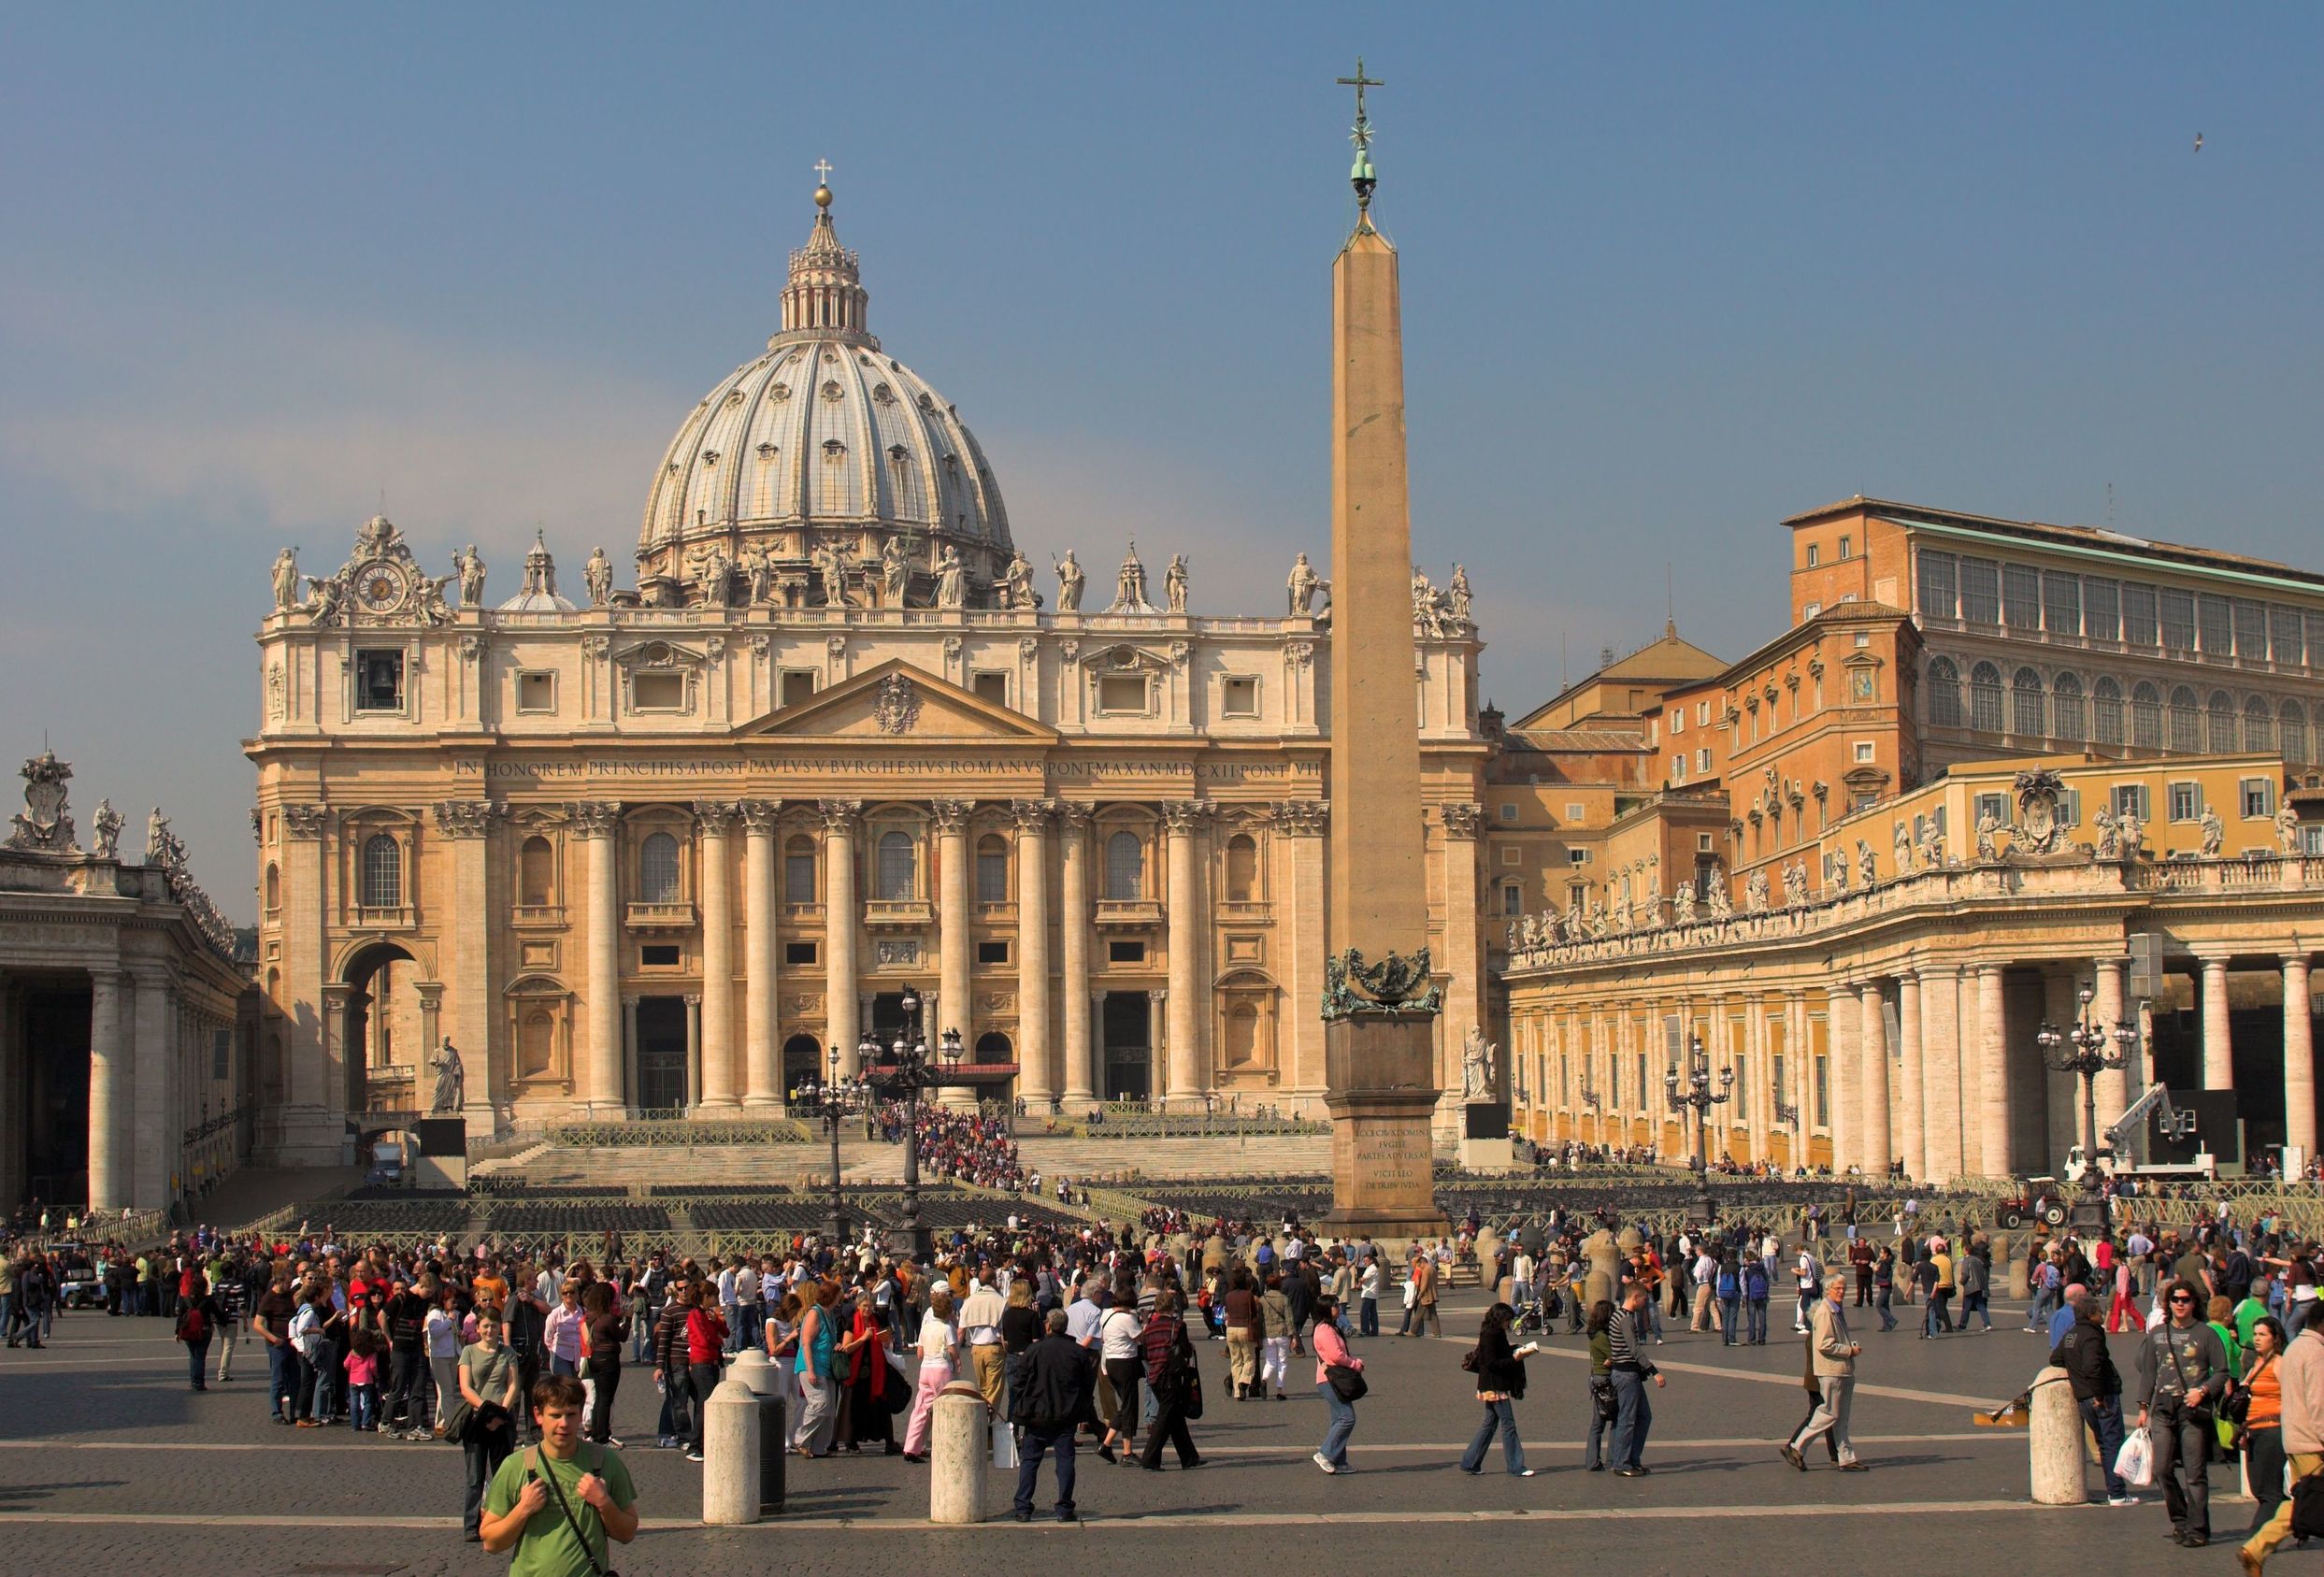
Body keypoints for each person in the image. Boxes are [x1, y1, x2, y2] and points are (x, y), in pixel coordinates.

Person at [480, 1374, 638, 1571]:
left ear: (581, 1415)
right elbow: (491, 1543)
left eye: (571, 1414)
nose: (564, 1424)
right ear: (538, 1415)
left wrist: (604, 1502)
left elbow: (627, 1533)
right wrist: (524, 1509)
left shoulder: (606, 1462)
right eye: (555, 1415)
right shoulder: (515, 1466)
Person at [2137, 1277, 2229, 1548]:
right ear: (2168, 1303)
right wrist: (2143, 1406)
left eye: (2185, 1299)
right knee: (2162, 1468)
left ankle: (2199, 1528)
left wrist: (2203, 1391)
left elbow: (2222, 1371)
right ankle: (2180, 1519)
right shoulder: (2157, 1334)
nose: (2179, 1304)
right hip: (2164, 1407)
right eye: (2175, 1299)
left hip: (2192, 1408)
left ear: (2193, 1303)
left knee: (2194, 1474)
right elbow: (2149, 1373)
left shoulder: (2206, 1334)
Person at [2242, 1299, 2324, 1573]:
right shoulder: (2316, 1353)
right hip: (2313, 1441)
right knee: (2309, 1501)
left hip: (2295, 1437)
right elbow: (2318, 1404)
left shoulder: (2296, 1348)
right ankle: (2257, 1546)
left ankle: (2256, 1548)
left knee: (2303, 1502)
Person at [1011, 1306, 1097, 1522]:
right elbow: (1087, 1384)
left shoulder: (1034, 1350)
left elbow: (1018, 1381)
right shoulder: (1077, 1352)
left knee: (1030, 1460)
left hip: (1037, 1413)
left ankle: (1022, 1506)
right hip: (1065, 1413)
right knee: (1065, 1460)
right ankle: (1064, 1507)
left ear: (1047, 1326)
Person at [2051, 1283, 2132, 1505]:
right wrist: (2098, 1394)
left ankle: (2115, 1490)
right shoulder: (2092, 1336)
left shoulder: (2071, 1335)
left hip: (2083, 1397)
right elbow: (2092, 1367)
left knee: (2104, 1442)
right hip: (2101, 1396)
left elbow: (2056, 1359)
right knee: (2112, 1442)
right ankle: (2117, 1492)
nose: (2102, 1314)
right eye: (2099, 1311)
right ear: (2090, 1314)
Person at [1781, 1273, 1866, 1471]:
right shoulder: (1825, 1312)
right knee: (1828, 1413)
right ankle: (1796, 1446)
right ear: (1828, 1290)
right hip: (1832, 1370)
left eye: (1844, 1288)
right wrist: (1849, 1351)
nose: (1842, 1292)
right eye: (1838, 1288)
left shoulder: (1835, 1310)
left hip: (1842, 1370)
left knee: (1840, 1417)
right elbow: (1824, 1344)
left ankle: (1846, 1458)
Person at [454, 1312, 521, 1542]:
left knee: (502, 1473)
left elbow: (513, 1385)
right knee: (475, 1476)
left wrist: (501, 1413)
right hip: (476, 1420)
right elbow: (465, 1387)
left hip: (502, 1420)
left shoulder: (508, 1353)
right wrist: (487, 1412)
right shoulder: (469, 1351)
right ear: (478, 1328)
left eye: (493, 1326)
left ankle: (503, 1520)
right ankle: (471, 1524)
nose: (489, 1331)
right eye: (485, 1327)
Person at [1460, 1301, 1540, 1477]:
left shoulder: (1493, 1332)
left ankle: (1470, 1462)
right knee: (1508, 1424)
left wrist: (1515, 1349)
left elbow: (1497, 1354)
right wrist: (1516, 1359)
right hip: (1494, 1385)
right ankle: (1516, 1466)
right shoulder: (1491, 1334)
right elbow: (1492, 1363)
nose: (1508, 1323)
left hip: (1491, 1384)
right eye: (1507, 1320)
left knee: (1489, 1424)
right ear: (1500, 1319)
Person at [1136, 1288, 1203, 1470]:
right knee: (1165, 1418)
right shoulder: (1178, 1326)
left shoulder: (1148, 1328)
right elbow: (1185, 1351)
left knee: (1175, 1416)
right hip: (1171, 1376)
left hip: (1155, 1376)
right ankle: (1149, 1458)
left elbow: (1144, 1353)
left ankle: (1189, 1457)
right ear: (1172, 1306)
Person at [1607, 1283, 1664, 1476]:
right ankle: (1622, 1463)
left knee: (1644, 1416)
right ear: (1635, 1298)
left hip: (1629, 1374)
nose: (1644, 1303)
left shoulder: (1620, 1316)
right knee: (1627, 1419)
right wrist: (1654, 1371)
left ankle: (1632, 1458)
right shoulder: (1624, 1319)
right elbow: (1635, 1349)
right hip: (1626, 1375)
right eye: (1643, 1299)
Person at [2240, 1316, 2288, 1537]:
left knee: (2270, 1490)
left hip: (2271, 1429)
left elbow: (2291, 1396)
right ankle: (2288, 1523)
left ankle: (2259, 1536)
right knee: (2258, 1487)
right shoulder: (2257, 1362)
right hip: (2253, 1431)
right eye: (2255, 1334)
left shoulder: (2279, 1363)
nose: (2257, 1339)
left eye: (2263, 1335)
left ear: (2275, 1338)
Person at [902, 1283, 957, 1462]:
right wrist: (957, 1360)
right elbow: (953, 1350)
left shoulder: (926, 1327)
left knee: (920, 1409)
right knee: (946, 1409)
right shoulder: (947, 1328)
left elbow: (919, 1353)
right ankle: (946, 1446)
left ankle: (911, 1447)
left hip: (925, 1369)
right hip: (942, 1370)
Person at [1311, 1293, 1363, 1474]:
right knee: (1347, 1418)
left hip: (1330, 1378)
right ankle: (1325, 1453)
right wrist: (1354, 1364)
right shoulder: (1324, 1330)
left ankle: (1338, 1461)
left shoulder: (1330, 1327)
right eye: (1334, 1305)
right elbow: (1336, 1356)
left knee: (1338, 1419)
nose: (1338, 1308)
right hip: (1330, 1379)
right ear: (1326, 1309)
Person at [792, 1279, 842, 1458]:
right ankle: (800, 1438)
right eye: (838, 1294)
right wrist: (811, 1370)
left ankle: (820, 1447)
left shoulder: (829, 1314)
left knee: (829, 1410)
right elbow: (806, 1343)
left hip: (827, 1366)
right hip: (812, 1366)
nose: (840, 1298)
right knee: (820, 1404)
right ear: (832, 1296)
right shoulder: (815, 1314)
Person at [1096, 1284, 1143, 1462]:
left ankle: (1109, 1445)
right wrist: (1144, 1322)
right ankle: (1124, 1451)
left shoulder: (1106, 1314)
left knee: (1125, 1406)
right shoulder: (1127, 1319)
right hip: (1126, 1362)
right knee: (1129, 1407)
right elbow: (1140, 1338)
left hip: (1111, 1362)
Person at [682, 1284, 728, 1464]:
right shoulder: (695, 1314)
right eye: (714, 1296)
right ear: (706, 1296)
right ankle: (695, 1445)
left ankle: (702, 1442)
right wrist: (718, 1341)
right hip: (701, 1362)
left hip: (712, 1362)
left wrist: (716, 1320)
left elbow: (726, 1331)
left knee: (705, 1403)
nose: (716, 1300)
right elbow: (702, 1338)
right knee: (705, 1404)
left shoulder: (707, 1314)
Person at [580, 1281, 626, 1448]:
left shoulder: (591, 1317)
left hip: (595, 1358)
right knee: (605, 1399)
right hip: (609, 1359)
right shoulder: (607, 1318)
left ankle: (595, 1433)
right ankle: (602, 1436)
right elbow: (622, 1336)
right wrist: (627, 1318)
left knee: (599, 1398)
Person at [1582, 1300, 1618, 1470]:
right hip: (1604, 1379)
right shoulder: (1602, 1337)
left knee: (1599, 1422)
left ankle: (1592, 1461)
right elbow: (1615, 1355)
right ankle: (1610, 1459)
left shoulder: (1594, 1333)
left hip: (1597, 1378)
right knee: (1612, 1420)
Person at [173, 1274, 219, 1392]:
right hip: (204, 1330)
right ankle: (198, 1382)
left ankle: (193, 1380)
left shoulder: (185, 1299)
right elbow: (218, 1314)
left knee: (193, 1355)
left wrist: (177, 1331)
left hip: (188, 1330)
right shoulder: (208, 1300)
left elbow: (180, 1317)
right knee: (200, 1356)